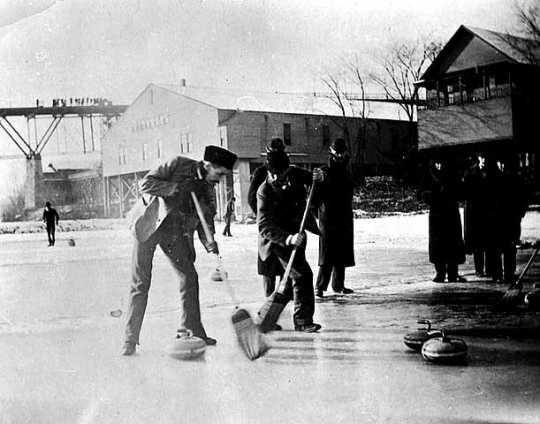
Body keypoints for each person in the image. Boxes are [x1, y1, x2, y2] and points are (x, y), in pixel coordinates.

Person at [121, 145, 238, 356]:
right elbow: (145, 184)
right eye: (219, 174)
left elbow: (205, 218)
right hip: (148, 225)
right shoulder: (178, 163)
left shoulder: (207, 188)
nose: (220, 179)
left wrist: (209, 241)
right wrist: (173, 188)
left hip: (173, 232)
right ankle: (130, 340)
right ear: (208, 165)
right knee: (140, 283)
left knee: (189, 277)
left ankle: (191, 331)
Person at [255, 149, 323, 333]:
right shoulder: (264, 191)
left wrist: (319, 176)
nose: (277, 177)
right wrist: (288, 238)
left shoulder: (294, 175)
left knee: (288, 283)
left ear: (287, 170)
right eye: (272, 173)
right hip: (276, 242)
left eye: (281, 173)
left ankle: (264, 319)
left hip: (296, 237)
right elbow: (264, 225)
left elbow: (314, 180)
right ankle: (302, 321)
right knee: (302, 275)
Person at [248, 138, 312, 297]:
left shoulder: (291, 170)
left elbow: (311, 177)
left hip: (290, 230)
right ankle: (269, 302)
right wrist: (266, 216)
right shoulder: (261, 173)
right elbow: (252, 199)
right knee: (269, 270)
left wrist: (320, 175)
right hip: (270, 231)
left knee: (291, 272)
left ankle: (283, 301)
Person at [315, 139, 355, 297]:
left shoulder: (347, 171)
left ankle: (338, 285)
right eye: (337, 152)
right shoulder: (324, 171)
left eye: (342, 152)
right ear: (331, 153)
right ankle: (320, 287)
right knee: (327, 253)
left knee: (342, 251)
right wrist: (318, 212)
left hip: (344, 216)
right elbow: (315, 196)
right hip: (328, 218)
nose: (340, 155)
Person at [419, 158, 466, 283]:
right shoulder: (431, 172)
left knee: (449, 242)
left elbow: (460, 192)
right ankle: (443, 272)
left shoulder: (449, 171)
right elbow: (422, 193)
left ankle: (450, 272)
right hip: (441, 212)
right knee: (442, 242)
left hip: (445, 212)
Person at [463, 155, 489, 277]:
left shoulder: (492, 171)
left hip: (488, 211)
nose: (484, 160)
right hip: (475, 212)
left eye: (486, 157)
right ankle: (479, 269)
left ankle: (490, 269)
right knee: (478, 244)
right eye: (482, 157)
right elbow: (467, 193)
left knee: (489, 243)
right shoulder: (470, 172)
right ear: (479, 158)